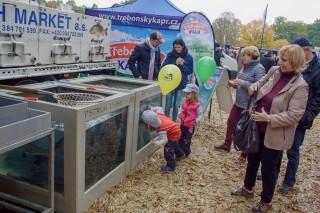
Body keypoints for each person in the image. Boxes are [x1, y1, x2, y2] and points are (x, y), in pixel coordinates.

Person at [231, 44, 308, 213]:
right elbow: (261, 82)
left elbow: (295, 115)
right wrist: (254, 86)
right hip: (256, 127)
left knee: (268, 169)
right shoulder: (274, 70)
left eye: (285, 60)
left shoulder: (300, 85)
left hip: (274, 133)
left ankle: (266, 201)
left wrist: (269, 118)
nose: (280, 62)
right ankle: (247, 189)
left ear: (295, 62)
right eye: (280, 58)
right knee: (252, 161)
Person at [277, 37, 320, 193]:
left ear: (306, 50)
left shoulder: (317, 70)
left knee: (292, 150)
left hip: (300, 118)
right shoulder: (295, 66)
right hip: (284, 113)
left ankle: (289, 181)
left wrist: (306, 117)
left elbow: (318, 98)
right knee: (278, 145)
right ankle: (274, 173)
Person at [214, 46, 265, 156]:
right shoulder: (245, 67)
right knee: (231, 123)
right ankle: (227, 144)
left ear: (251, 56)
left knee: (245, 128)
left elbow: (259, 88)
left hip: (248, 106)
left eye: (245, 55)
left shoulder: (259, 69)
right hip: (238, 103)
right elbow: (242, 84)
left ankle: (244, 154)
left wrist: (242, 83)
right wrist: (234, 85)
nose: (243, 58)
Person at [141, 106, 183, 172]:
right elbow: (159, 108)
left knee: (168, 150)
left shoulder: (162, 129)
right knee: (174, 144)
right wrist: (152, 108)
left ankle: (171, 166)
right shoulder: (158, 114)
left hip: (174, 134)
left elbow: (164, 140)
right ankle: (180, 154)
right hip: (176, 129)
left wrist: (156, 143)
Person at [162, 38, 194, 122]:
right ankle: (166, 121)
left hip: (180, 84)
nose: (176, 49)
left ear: (183, 46)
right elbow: (164, 66)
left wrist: (182, 65)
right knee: (167, 104)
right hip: (169, 82)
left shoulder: (189, 57)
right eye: (175, 47)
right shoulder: (170, 54)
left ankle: (173, 122)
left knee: (176, 104)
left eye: (178, 47)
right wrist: (174, 64)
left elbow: (190, 71)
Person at [178, 84, 203, 158]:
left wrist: (197, 120)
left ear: (194, 94)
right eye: (185, 93)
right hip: (183, 123)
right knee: (180, 137)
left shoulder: (197, 105)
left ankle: (186, 152)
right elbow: (181, 107)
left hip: (190, 125)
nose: (186, 95)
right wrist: (180, 113)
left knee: (187, 139)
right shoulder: (184, 101)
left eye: (188, 93)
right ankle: (179, 150)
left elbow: (200, 114)